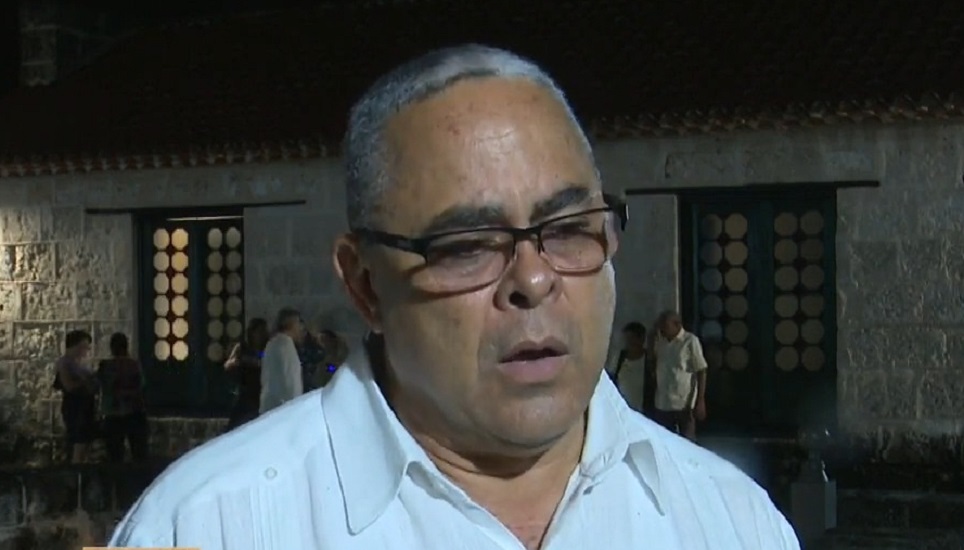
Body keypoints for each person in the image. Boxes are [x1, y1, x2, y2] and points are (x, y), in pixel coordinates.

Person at [109, 45, 799, 549]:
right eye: (468, 246)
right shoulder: (203, 524)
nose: (533, 280)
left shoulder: (734, 522)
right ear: (365, 283)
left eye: (568, 230)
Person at [652, 310, 709, 441]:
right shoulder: (660, 342)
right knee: (665, 440)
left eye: (666, 326)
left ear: (677, 325)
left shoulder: (690, 341)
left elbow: (701, 370)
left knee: (687, 440)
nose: (663, 329)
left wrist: (700, 400)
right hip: (663, 402)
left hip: (683, 403)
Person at [97, 332, 148, 462]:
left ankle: (116, 474)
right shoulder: (134, 365)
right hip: (134, 410)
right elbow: (141, 385)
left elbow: (98, 385)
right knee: (139, 452)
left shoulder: (105, 366)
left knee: (114, 454)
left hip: (112, 411)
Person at [53, 329, 97, 464]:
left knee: (86, 443)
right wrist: (87, 380)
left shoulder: (78, 364)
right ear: (74, 346)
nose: (86, 350)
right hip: (75, 408)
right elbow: (69, 386)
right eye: (84, 346)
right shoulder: (65, 363)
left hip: (86, 406)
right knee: (79, 443)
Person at [223, 317, 269, 430]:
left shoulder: (268, 348)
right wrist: (241, 361)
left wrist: (258, 362)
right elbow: (228, 365)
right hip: (245, 392)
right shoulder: (242, 348)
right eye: (258, 332)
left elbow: (266, 361)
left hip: (261, 391)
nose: (260, 335)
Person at [259, 308, 305, 414]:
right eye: (298, 323)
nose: (301, 328)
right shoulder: (285, 345)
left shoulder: (272, 343)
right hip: (283, 408)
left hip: (269, 405)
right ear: (291, 324)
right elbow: (291, 380)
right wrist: (295, 407)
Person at [606, 321, 647, 412]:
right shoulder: (618, 358)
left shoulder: (649, 360)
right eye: (627, 339)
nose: (629, 343)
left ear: (641, 339)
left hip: (642, 411)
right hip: (620, 409)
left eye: (632, 339)